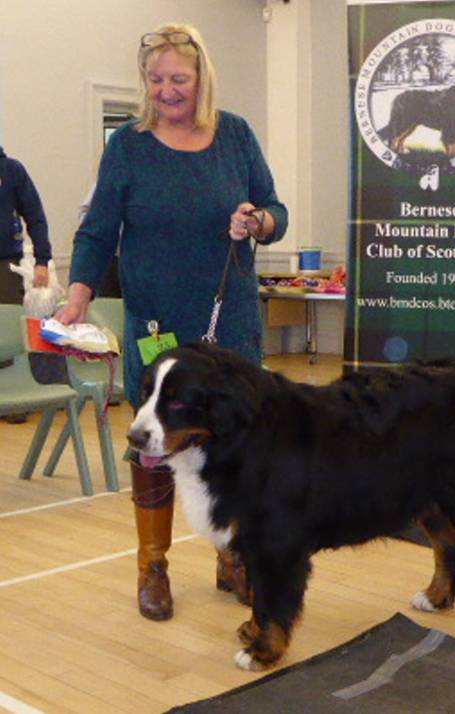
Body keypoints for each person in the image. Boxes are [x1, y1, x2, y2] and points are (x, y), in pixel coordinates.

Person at [58, 23, 288, 621]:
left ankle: (232, 556)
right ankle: (152, 567)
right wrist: (77, 295)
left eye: (177, 79)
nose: (165, 90)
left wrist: (258, 221)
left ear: (201, 78)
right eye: (155, 79)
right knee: (152, 448)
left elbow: (276, 209)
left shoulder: (235, 135)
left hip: (229, 324)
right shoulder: (128, 146)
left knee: (234, 444)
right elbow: (98, 230)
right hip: (155, 326)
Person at [0, 146, 52, 423]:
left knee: (6, 331)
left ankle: (11, 399)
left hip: (4, 263)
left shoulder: (11, 170)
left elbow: (35, 214)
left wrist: (42, 259)